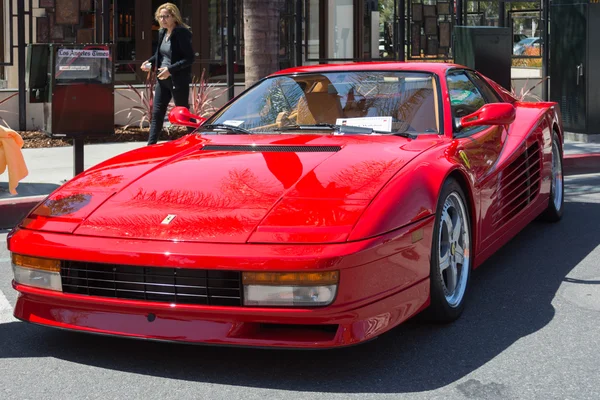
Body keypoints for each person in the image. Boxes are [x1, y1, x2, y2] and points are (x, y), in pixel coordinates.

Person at [141, 3, 194, 145]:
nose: (163, 19)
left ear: (174, 17)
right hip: (162, 79)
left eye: (166, 16)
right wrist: (150, 62)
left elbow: (189, 58)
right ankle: (150, 146)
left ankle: (197, 140)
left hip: (177, 79)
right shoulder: (162, 32)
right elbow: (160, 55)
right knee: (157, 113)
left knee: (184, 113)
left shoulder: (181, 33)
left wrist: (170, 70)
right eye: (160, 16)